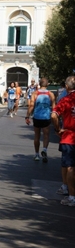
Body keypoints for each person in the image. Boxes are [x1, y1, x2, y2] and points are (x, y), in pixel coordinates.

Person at [51, 76, 75, 206]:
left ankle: (71, 196)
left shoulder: (66, 100)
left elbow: (54, 115)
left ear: (67, 87)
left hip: (69, 137)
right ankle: (66, 187)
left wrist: (58, 128)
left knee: (69, 166)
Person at [25, 77, 55, 162]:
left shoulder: (35, 93)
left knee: (37, 136)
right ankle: (44, 150)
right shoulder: (50, 94)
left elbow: (31, 106)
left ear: (39, 84)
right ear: (47, 84)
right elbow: (54, 107)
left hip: (37, 117)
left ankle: (37, 154)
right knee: (46, 135)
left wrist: (27, 116)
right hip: (46, 117)